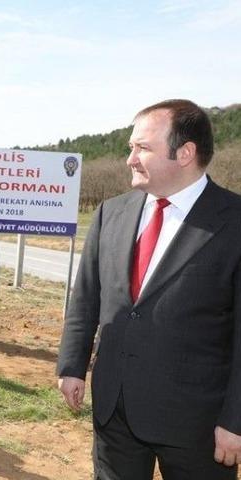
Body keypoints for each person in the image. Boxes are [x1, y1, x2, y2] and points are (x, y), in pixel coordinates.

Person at [57, 99, 241, 479]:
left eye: (142, 147)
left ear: (185, 152)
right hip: (115, 410)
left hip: (198, 425)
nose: (130, 159)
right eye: (130, 148)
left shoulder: (234, 221)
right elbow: (86, 298)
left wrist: (236, 420)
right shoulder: (112, 212)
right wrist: (72, 365)